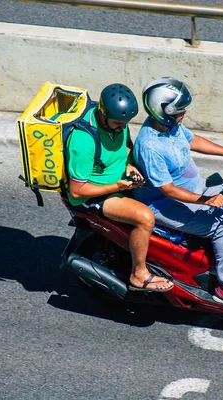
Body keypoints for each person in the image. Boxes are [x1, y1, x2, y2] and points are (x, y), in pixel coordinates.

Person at [132, 77, 223, 308]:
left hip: (194, 189)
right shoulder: (150, 146)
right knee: (221, 226)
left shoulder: (171, 127)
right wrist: (206, 200)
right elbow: (167, 189)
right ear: (164, 111)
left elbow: (193, 140)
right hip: (165, 205)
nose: (185, 114)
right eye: (180, 111)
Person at [66, 83, 173, 292]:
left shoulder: (116, 123)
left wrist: (129, 166)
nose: (122, 128)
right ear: (103, 114)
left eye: (126, 123)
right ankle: (139, 274)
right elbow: (77, 191)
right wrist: (117, 185)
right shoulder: (83, 141)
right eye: (118, 123)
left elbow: (124, 146)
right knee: (145, 218)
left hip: (119, 181)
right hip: (95, 195)